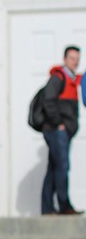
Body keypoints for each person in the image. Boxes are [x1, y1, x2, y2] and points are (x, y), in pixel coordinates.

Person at [40, 45, 83, 216]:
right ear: (65, 59)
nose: (75, 62)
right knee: (62, 167)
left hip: (63, 131)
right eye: (72, 58)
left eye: (77, 59)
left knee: (54, 168)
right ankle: (65, 206)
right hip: (56, 131)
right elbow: (48, 101)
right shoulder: (59, 78)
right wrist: (59, 124)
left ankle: (47, 208)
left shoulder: (72, 80)